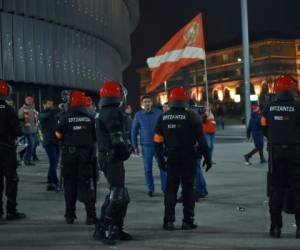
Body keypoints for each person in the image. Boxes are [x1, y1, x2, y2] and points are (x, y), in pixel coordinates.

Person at [154, 86, 212, 231]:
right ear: (185, 100)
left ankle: (168, 221)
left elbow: (157, 142)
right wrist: (208, 158)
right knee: (188, 189)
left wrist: (160, 160)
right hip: (189, 158)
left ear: (170, 100)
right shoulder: (193, 116)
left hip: (172, 158)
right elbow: (202, 141)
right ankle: (188, 221)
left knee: (170, 190)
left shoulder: (163, 117)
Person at [261, 75, 300, 238]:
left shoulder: (269, 107)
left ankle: (275, 228)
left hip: (275, 154)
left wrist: (275, 138)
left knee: (275, 191)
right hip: (297, 153)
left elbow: (264, 128)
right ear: (294, 91)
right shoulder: (298, 107)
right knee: (298, 190)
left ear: (276, 91)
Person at [93, 81, 132, 245]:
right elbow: (117, 139)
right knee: (117, 195)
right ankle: (102, 229)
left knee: (121, 194)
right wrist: (126, 151)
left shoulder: (101, 111)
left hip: (106, 155)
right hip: (112, 156)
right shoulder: (112, 112)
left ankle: (116, 228)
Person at [55, 90, 97, 225]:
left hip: (69, 155)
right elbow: (95, 137)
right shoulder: (90, 118)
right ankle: (90, 216)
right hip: (85, 155)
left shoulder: (65, 117)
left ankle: (70, 215)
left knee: (69, 185)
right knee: (86, 184)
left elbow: (57, 135)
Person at [0, 80, 26, 220]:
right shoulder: (9, 110)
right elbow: (17, 131)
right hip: (7, 149)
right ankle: (11, 210)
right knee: (11, 179)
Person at [131, 95, 167, 197]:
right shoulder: (138, 115)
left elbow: (165, 129)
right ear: (142, 103)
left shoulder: (159, 113)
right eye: (145, 102)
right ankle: (150, 189)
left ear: (152, 103)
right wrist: (134, 146)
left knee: (163, 167)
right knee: (147, 169)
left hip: (159, 144)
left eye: (149, 102)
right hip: (146, 146)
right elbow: (134, 130)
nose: (147, 103)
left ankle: (165, 188)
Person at [39, 98, 61, 191]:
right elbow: (46, 115)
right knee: (53, 162)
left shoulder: (53, 114)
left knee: (55, 163)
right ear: (44, 104)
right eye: (48, 104)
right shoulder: (42, 114)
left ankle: (50, 182)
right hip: (48, 142)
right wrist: (57, 109)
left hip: (56, 141)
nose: (50, 106)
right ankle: (54, 182)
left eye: (51, 104)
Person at [18, 96, 39, 166]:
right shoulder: (23, 109)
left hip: (34, 130)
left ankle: (22, 154)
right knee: (31, 144)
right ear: (25, 101)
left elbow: (36, 119)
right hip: (27, 130)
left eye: (30, 100)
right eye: (28, 100)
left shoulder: (33, 109)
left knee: (34, 144)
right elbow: (19, 118)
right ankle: (27, 160)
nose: (29, 101)